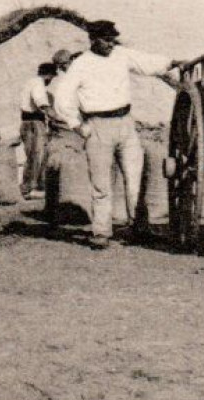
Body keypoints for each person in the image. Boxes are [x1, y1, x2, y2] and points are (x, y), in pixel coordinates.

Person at [51, 20, 178, 247]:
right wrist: (77, 125)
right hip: (98, 125)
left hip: (126, 124)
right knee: (101, 183)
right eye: (106, 40)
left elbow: (145, 62)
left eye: (112, 39)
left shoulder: (121, 55)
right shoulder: (81, 65)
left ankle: (140, 227)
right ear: (93, 40)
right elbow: (62, 98)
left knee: (134, 178)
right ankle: (101, 232)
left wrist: (171, 62)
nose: (110, 44)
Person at [17, 61, 59, 199]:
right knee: (38, 154)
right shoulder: (38, 83)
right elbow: (41, 101)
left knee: (31, 155)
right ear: (48, 75)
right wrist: (55, 116)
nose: (50, 81)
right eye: (51, 78)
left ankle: (27, 187)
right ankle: (32, 188)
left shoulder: (29, 82)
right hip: (35, 122)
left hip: (26, 122)